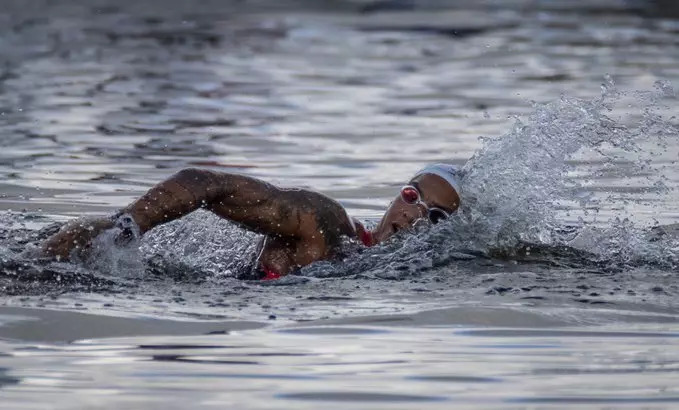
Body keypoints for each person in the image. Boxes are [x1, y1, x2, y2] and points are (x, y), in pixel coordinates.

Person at [40, 164, 462, 279]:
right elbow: (203, 181)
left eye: (437, 217)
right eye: (413, 197)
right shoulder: (327, 224)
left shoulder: (388, 274)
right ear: (397, 195)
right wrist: (125, 230)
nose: (414, 217)